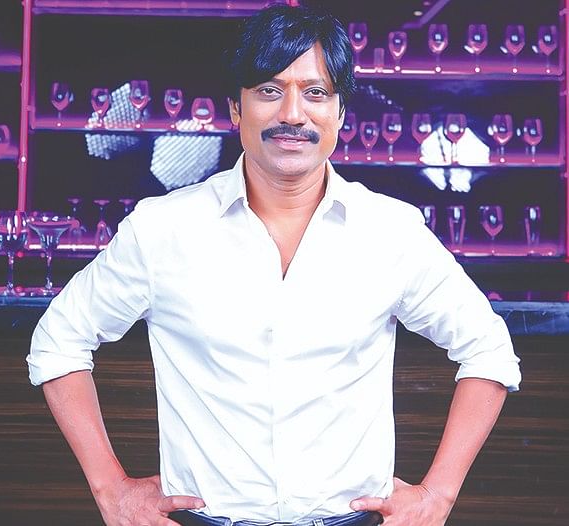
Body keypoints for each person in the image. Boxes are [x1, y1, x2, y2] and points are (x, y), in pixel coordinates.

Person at [27, 5, 521, 526]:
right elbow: (58, 341)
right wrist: (111, 489)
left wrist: (438, 495)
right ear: (235, 110)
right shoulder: (162, 229)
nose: (292, 114)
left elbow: (489, 350)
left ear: (340, 114)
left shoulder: (390, 230)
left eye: (316, 92)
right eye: (269, 90)